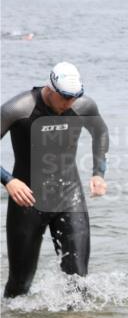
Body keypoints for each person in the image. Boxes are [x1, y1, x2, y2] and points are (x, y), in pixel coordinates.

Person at [1, 62, 109, 298]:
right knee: (20, 285)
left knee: (78, 281)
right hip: (27, 201)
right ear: (50, 89)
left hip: (69, 196)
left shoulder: (83, 105)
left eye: (75, 97)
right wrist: (8, 180)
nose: (70, 103)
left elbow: (100, 132)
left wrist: (98, 173)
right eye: (65, 98)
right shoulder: (17, 108)